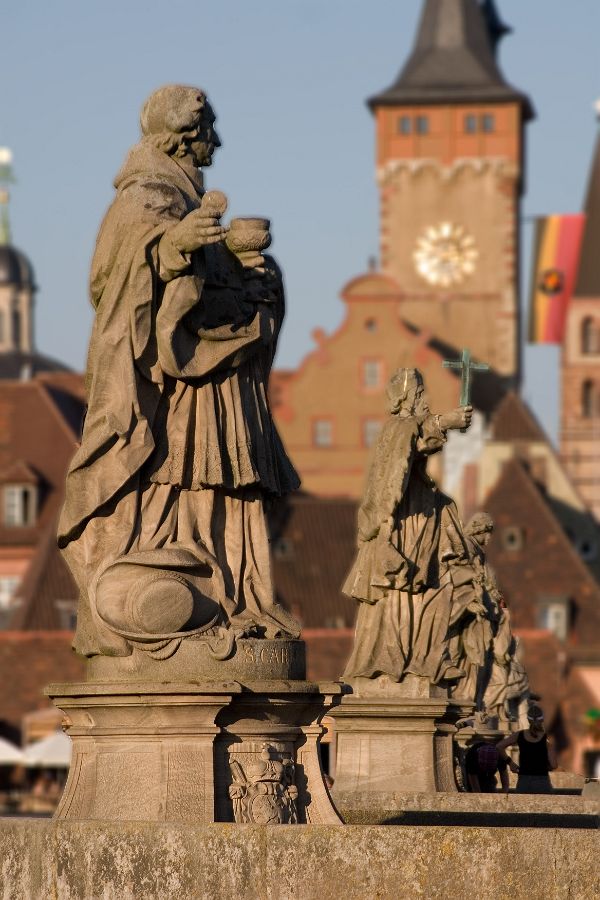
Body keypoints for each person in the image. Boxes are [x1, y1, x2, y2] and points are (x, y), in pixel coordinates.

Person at [58, 85, 300, 658]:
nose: (216, 140)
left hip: (215, 376)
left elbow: (212, 284)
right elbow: (111, 276)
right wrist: (171, 247)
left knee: (220, 481)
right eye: (208, 129)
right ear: (187, 136)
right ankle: (191, 578)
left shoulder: (188, 198)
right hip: (177, 380)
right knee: (177, 476)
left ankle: (235, 592)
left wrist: (247, 270)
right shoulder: (147, 194)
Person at [342, 367, 473, 685]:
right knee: (403, 588)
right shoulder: (399, 427)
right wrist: (446, 422)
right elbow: (412, 442)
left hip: (411, 521)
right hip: (403, 526)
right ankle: (398, 658)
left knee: (426, 589)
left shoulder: (401, 429)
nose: (425, 400)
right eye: (419, 395)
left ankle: (422, 656)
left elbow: (417, 445)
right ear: (407, 400)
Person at [497, 705, 557, 794]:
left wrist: (510, 763)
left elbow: (499, 746)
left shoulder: (519, 735)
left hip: (523, 781)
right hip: (542, 781)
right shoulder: (547, 738)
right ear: (542, 720)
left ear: (528, 720)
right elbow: (553, 765)